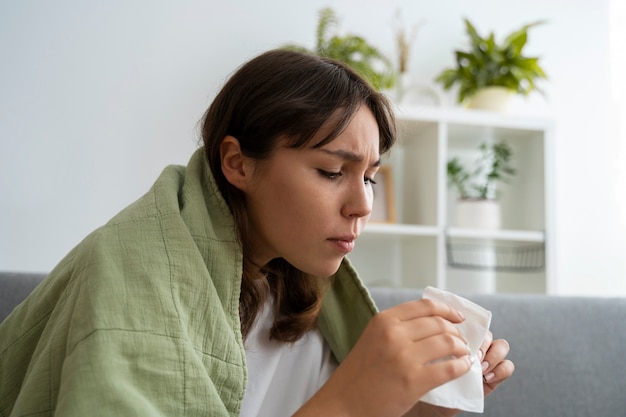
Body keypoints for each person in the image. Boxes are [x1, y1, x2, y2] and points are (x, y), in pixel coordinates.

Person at [0, 49, 513, 417]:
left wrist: (418, 406)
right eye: (333, 172)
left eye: (371, 177)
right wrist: (353, 403)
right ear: (238, 163)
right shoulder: (129, 276)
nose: (362, 205)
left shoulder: (307, 293)